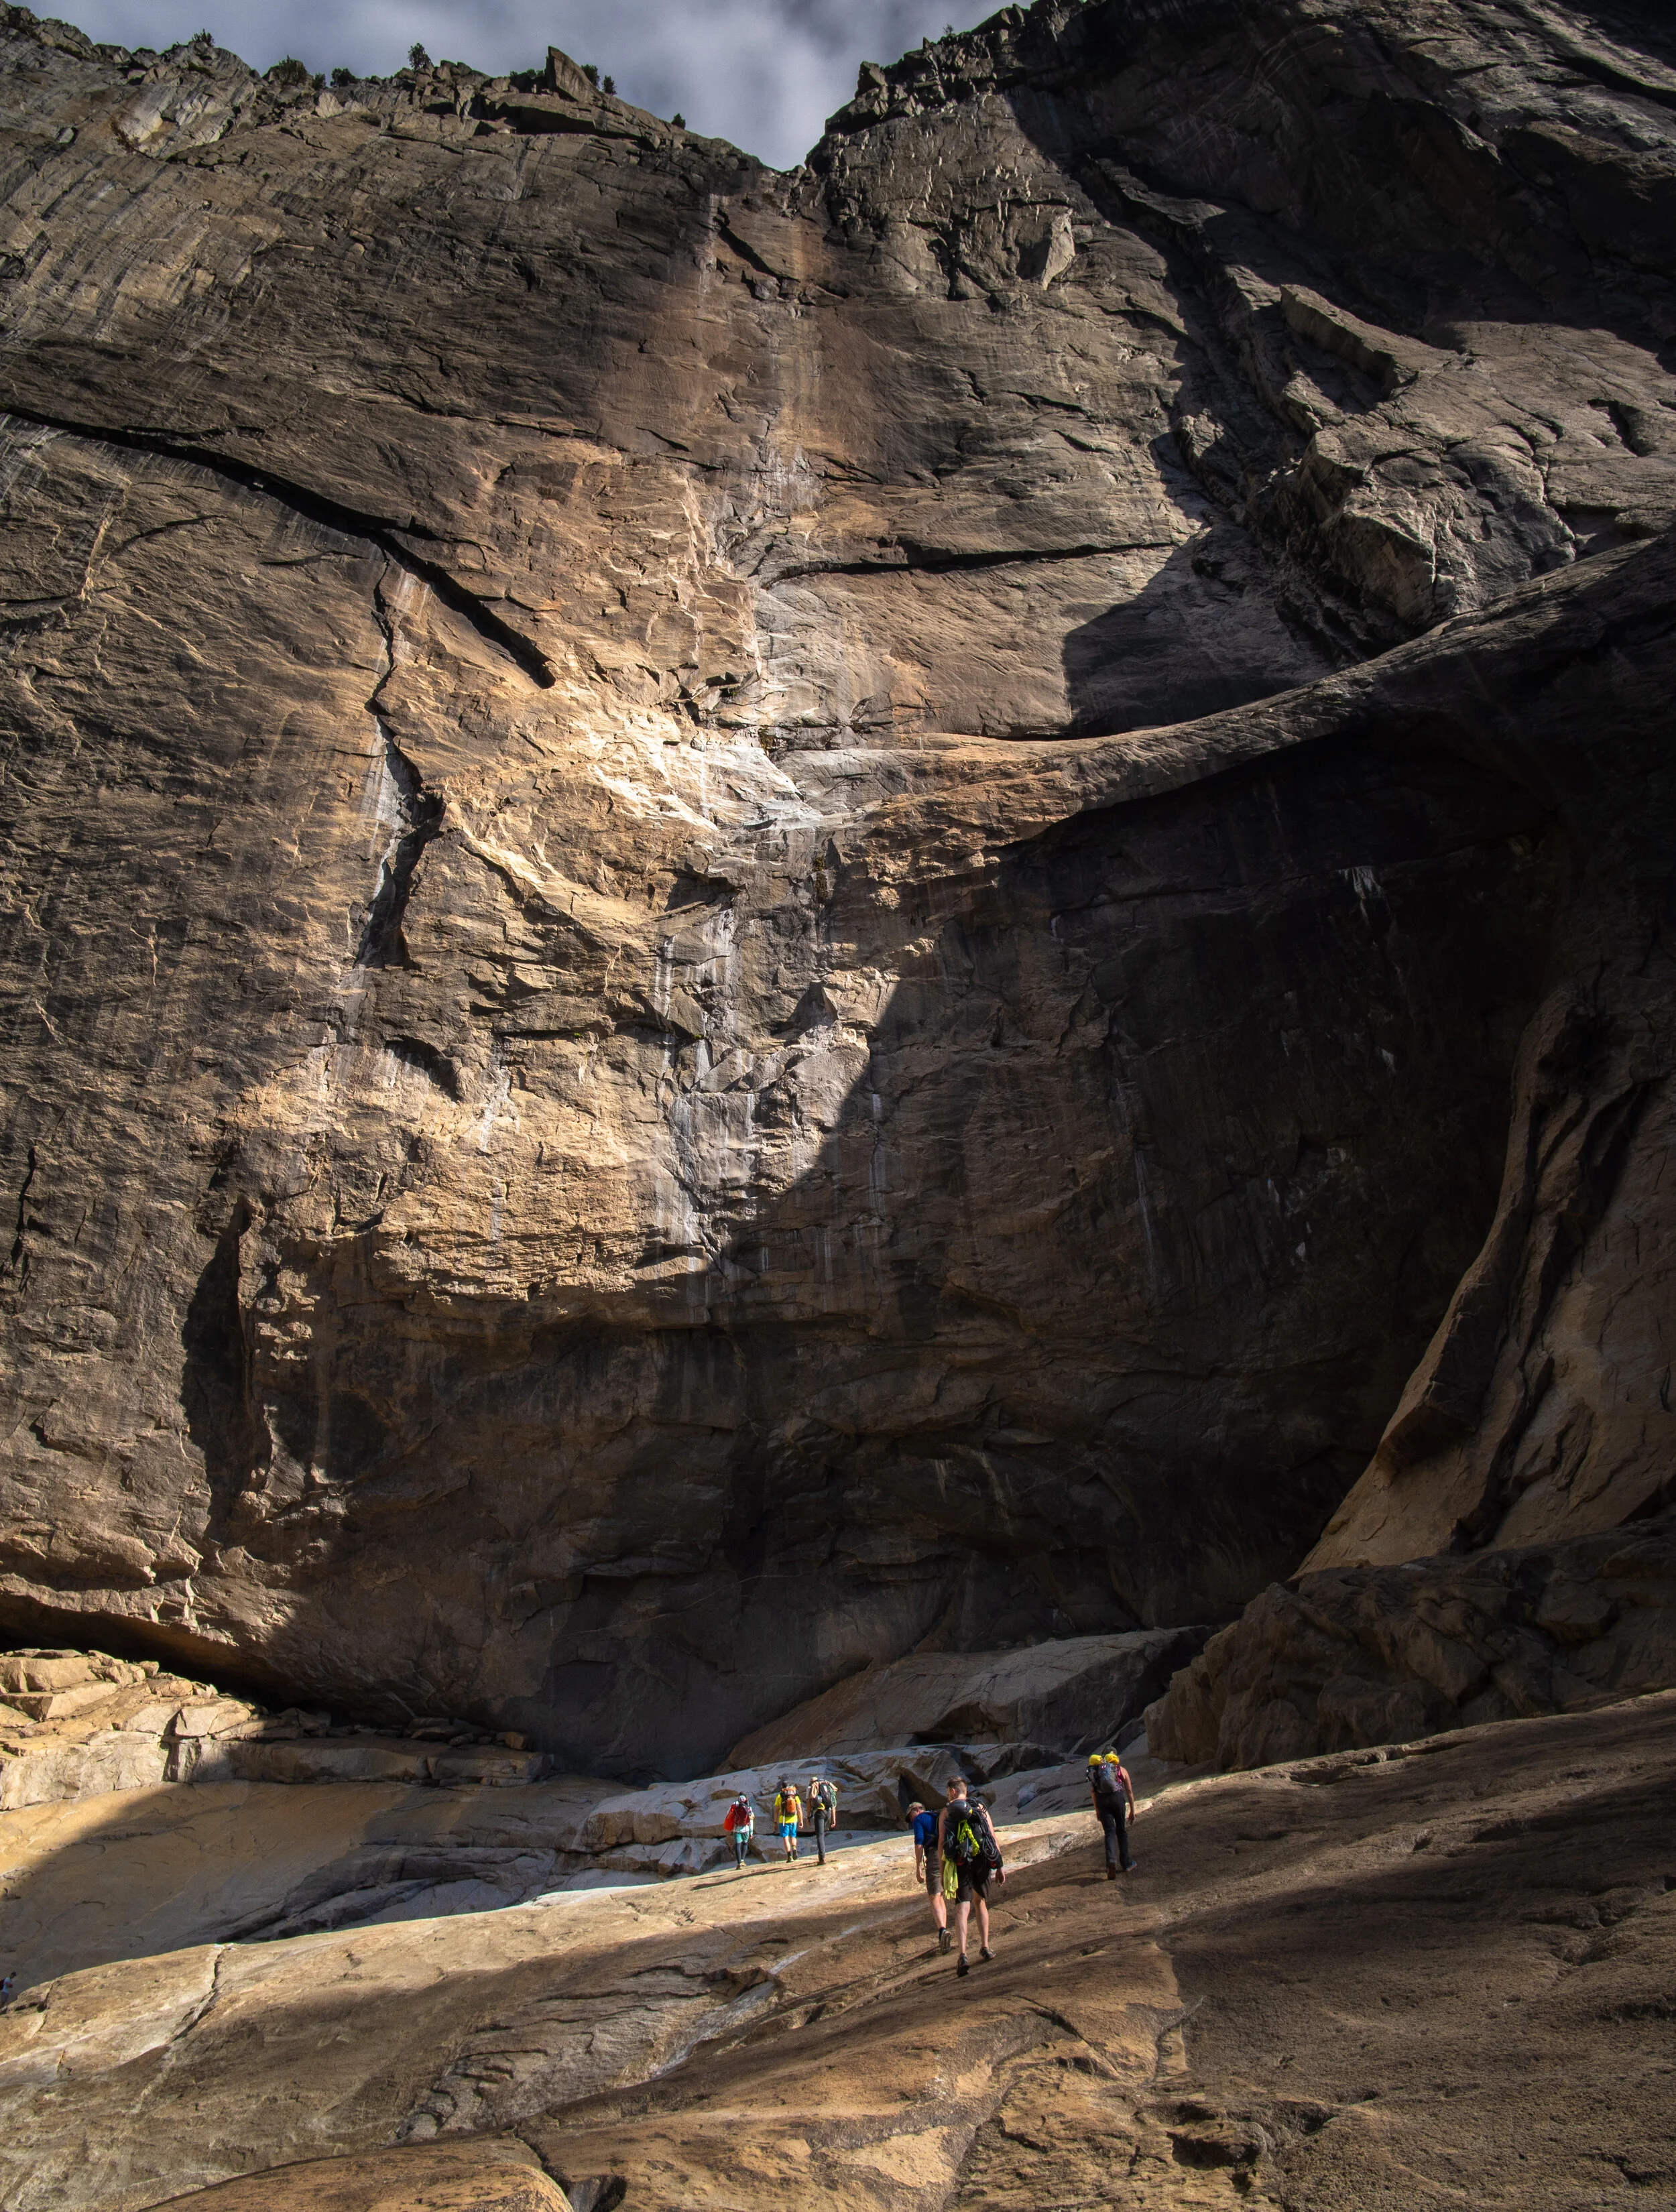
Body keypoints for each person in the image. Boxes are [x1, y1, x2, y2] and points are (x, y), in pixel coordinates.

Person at [938, 1775, 1003, 1977]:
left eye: (948, 1792)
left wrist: (942, 1874)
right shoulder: (980, 1808)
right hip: (982, 1860)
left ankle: (963, 1954)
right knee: (980, 1902)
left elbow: (942, 1842)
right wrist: (999, 1866)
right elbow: (991, 1836)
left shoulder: (946, 1812)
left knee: (962, 1908)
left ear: (953, 1792)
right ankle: (985, 1947)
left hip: (960, 1861)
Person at [908, 1798, 950, 1952]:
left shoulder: (919, 1819)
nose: (911, 1820)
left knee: (933, 1896)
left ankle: (942, 1930)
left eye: (910, 1816)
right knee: (940, 1895)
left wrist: (918, 1866)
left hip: (934, 1856)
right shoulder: (937, 1816)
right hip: (948, 1853)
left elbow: (919, 1843)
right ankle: (944, 1929)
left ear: (916, 1811)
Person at [1089, 1748, 1138, 1878]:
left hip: (1102, 1801)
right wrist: (1132, 1810)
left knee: (1109, 1832)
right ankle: (1126, 1864)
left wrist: (1097, 1810)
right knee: (1121, 1831)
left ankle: (1111, 1862)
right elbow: (1129, 1791)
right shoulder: (1121, 1769)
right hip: (1117, 1799)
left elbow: (1093, 1792)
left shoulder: (1098, 1771)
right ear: (1115, 1756)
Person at [807, 1772, 837, 1865]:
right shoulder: (827, 1785)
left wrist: (808, 1816)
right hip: (828, 1812)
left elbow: (809, 1802)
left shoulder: (813, 1787)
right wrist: (833, 1819)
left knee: (820, 1835)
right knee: (822, 1834)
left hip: (819, 1812)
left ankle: (822, 1858)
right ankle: (823, 1854)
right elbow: (833, 1803)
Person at [723, 1790, 756, 1870]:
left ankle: (739, 1864)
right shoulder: (748, 1807)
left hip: (737, 1829)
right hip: (746, 1828)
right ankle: (743, 1860)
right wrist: (751, 1831)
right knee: (745, 1843)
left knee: (738, 1845)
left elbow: (728, 1815)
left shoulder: (735, 1806)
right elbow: (751, 1820)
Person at [772, 1778, 802, 1862]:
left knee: (786, 1838)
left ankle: (789, 1856)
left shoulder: (780, 1796)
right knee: (793, 1836)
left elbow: (776, 1811)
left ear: (782, 1787)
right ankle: (794, 1847)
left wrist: (775, 1822)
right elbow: (799, 1808)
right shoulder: (794, 1795)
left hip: (784, 1820)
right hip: (794, 1819)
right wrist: (801, 1820)